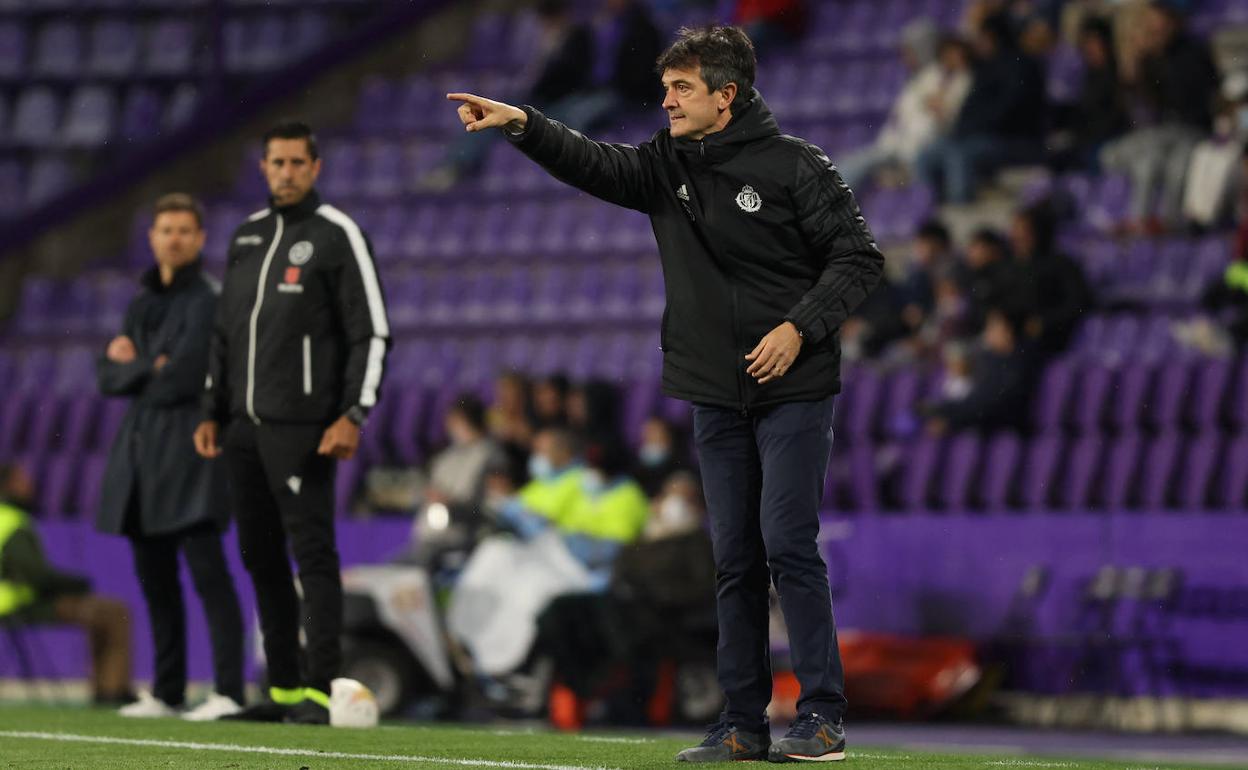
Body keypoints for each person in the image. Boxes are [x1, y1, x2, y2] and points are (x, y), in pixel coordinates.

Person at [448, 23, 883, 762]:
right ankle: (741, 724)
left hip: (794, 387)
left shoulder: (796, 165)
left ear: (726, 95)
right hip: (714, 391)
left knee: (786, 544)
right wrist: (524, 125)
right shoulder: (664, 165)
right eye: (666, 88)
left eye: (682, 88)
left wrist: (798, 328)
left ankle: (821, 716)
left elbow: (859, 258)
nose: (668, 101)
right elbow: (593, 162)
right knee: (733, 559)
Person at [194, 121, 391, 725]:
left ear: (315, 168)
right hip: (244, 429)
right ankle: (280, 690)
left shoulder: (337, 234)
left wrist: (353, 412)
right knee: (260, 557)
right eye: (276, 163)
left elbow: (371, 331)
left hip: (305, 427)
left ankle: (318, 689)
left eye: (296, 163)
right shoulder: (247, 236)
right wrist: (212, 408)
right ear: (263, 168)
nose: (285, 172)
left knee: (313, 557)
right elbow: (225, 334)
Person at [96, 193, 245, 721]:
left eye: (184, 230)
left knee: (208, 571)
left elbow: (182, 375)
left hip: (192, 442)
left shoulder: (207, 299)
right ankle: (168, 691)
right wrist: (146, 366)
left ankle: (229, 690)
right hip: (142, 449)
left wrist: (137, 366)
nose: (174, 239)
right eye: (166, 230)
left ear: (200, 239)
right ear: (152, 237)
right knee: (155, 578)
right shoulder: (142, 302)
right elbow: (106, 376)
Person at [0, 463, 133, 706]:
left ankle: (106, 688)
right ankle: (112, 691)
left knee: (103, 612)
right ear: (9, 485)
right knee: (112, 612)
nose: (29, 486)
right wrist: (78, 584)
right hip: (20, 605)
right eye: (22, 481)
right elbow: (36, 575)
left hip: (13, 604)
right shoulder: (13, 521)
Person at [1100, 1, 1218, 233]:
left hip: (1190, 131)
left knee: (1174, 164)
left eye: (1160, 22)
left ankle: (1168, 224)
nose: (1155, 29)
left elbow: (1189, 102)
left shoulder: (1192, 52)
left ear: (1173, 22)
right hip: (1158, 136)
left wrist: (1157, 61)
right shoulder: (1148, 59)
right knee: (1144, 162)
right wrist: (1135, 71)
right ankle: (1141, 222)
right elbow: (1136, 115)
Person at [915, 13, 1047, 203]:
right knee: (926, 155)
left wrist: (973, 130)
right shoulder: (984, 67)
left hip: (1010, 140)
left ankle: (960, 207)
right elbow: (970, 108)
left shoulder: (1022, 66)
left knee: (960, 154)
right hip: (978, 136)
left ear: (992, 37)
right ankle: (926, 206)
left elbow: (1008, 112)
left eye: (981, 38)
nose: (978, 43)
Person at [836, 28, 972, 191]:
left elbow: (942, 122)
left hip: (919, 151)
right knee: (850, 162)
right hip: (896, 148)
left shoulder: (961, 80)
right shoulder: (926, 78)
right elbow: (900, 119)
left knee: (864, 163)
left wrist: (938, 107)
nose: (906, 59)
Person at [425, 394, 505, 507]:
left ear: (469, 421)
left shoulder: (491, 455)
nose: (449, 427)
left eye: (455, 422)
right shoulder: (446, 456)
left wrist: (450, 504)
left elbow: (490, 503)